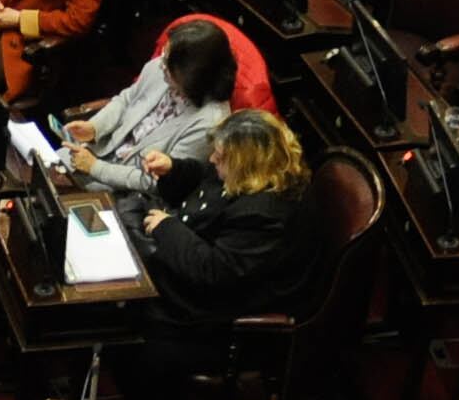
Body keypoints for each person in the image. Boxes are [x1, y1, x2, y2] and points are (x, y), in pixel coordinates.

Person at [128, 107, 332, 336]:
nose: (212, 158)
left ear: (245, 164)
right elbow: (206, 176)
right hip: (195, 263)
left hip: (211, 310)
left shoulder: (264, 214)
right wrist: (172, 169)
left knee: (125, 289)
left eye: (220, 156)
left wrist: (166, 227)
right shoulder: (254, 171)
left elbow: (214, 272)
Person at [68, 17, 237, 193]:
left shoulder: (209, 123)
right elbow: (127, 99)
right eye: (164, 54)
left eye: (168, 65)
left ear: (192, 77)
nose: (161, 64)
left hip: (125, 188)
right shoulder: (164, 66)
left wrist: (96, 168)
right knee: (42, 163)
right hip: (101, 149)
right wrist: (95, 127)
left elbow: (160, 182)